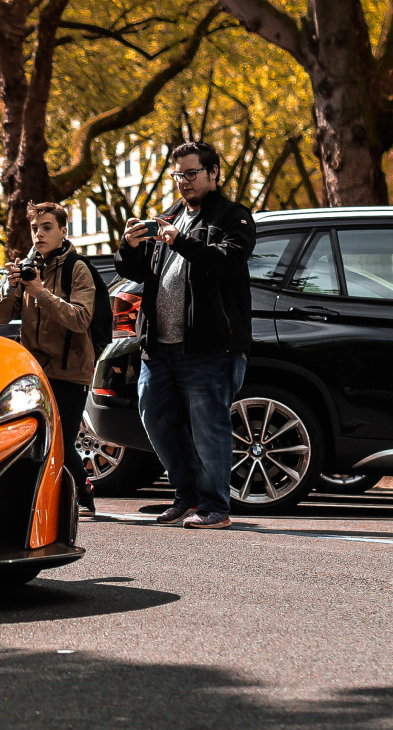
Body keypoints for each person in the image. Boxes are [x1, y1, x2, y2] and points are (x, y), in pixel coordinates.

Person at [114, 140, 255, 530]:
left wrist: (182, 241)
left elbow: (228, 262)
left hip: (209, 346)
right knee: (154, 415)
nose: (184, 182)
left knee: (209, 426)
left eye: (192, 173)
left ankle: (215, 507)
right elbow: (137, 272)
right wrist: (128, 246)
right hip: (158, 345)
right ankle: (186, 495)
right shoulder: (167, 218)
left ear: (213, 173)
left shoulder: (233, 217)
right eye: (178, 174)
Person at [0, 201, 98, 515]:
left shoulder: (77, 268)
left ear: (63, 231)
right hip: (36, 370)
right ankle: (44, 497)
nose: (39, 235)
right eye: (35, 229)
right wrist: (11, 287)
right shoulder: (28, 267)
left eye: (47, 228)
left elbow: (81, 319)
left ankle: (82, 493)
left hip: (70, 370)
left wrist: (40, 292)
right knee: (35, 436)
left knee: (61, 442)